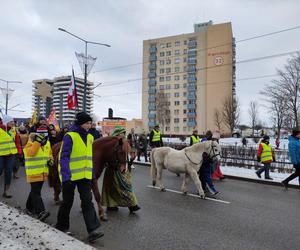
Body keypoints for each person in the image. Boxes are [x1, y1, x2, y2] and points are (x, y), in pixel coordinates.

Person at [55, 112, 104, 242]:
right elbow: (64, 157)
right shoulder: (69, 136)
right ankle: (61, 226)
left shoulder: (89, 137)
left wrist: (92, 174)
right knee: (67, 202)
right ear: (80, 123)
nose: (90, 125)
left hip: (85, 176)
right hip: (69, 176)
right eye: (87, 123)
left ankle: (93, 230)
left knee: (87, 201)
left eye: (90, 123)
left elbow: (89, 157)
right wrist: (66, 175)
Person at [101, 126, 140, 213]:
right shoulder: (111, 143)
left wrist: (132, 157)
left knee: (126, 186)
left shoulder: (125, 142)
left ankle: (132, 205)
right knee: (112, 189)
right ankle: (112, 205)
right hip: (113, 169)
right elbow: (107, 156)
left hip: (123, 169)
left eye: (123, 133)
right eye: (121, 133)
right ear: (117, 134)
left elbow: (129, 154)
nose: (123, 135)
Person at [23, 130, 52, 221]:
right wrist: (37, 142)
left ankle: (28, 208)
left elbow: (50, 154)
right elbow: (31, 153)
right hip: (33, 173)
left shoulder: (47, 143)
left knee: (35, 191)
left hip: (43, 173)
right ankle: (40, 212)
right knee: (36, 192)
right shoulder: (29, 144)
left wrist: (51, 160)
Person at [0, 115, 22, 198]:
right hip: (1, 154)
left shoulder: (14, 130)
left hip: (11, 154)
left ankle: (6, 191)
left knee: (8, 172)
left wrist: (19, 151)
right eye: (11, 121)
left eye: (13, 121)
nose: (13, 123)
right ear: (5, 122)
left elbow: (17, 142)